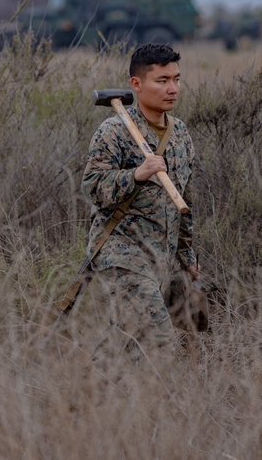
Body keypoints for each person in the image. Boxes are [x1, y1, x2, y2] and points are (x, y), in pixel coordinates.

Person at [82, 42, 200, 361]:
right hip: (121, 250)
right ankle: (153, 403)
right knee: (158, 337)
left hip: (163, 253)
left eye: (176, 79)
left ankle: (91, 393)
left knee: (137, 338)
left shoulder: (181, 134)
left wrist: (187, 255)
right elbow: (92, 188)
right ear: (136, 84)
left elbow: (184, 199)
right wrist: (135, 175)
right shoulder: (114, 132)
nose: (172, 88)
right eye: (161, 81)